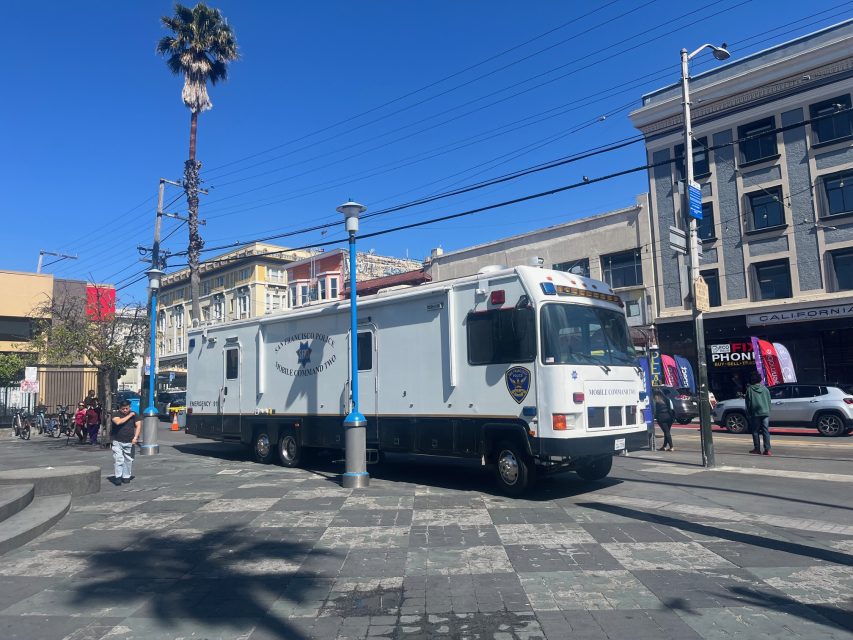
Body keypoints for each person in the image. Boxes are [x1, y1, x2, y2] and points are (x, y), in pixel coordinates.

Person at [110, 400, 141, 485]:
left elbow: (138, 425)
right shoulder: (116, 414)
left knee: (128, 459)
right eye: (123, 409)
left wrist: (136, 437)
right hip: (117, 440)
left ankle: (126, 476)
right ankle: (118, 476)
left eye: (127, 408)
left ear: (130, 407)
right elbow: (118, 422)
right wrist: (130, 415)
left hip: (129, 440)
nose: (125, 410)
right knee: (118, 459)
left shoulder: (135, 415)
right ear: (119, 408)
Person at [745, 370, 772, 456]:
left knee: (755, 431)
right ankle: (767, 450)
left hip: (755, 413)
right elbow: (769, 401)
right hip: (765, 412)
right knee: (765, 431)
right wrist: (768, 410)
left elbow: (748, 403)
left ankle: (757, 449)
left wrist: (748, 413)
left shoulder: (749, 390)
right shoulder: (765, 389)